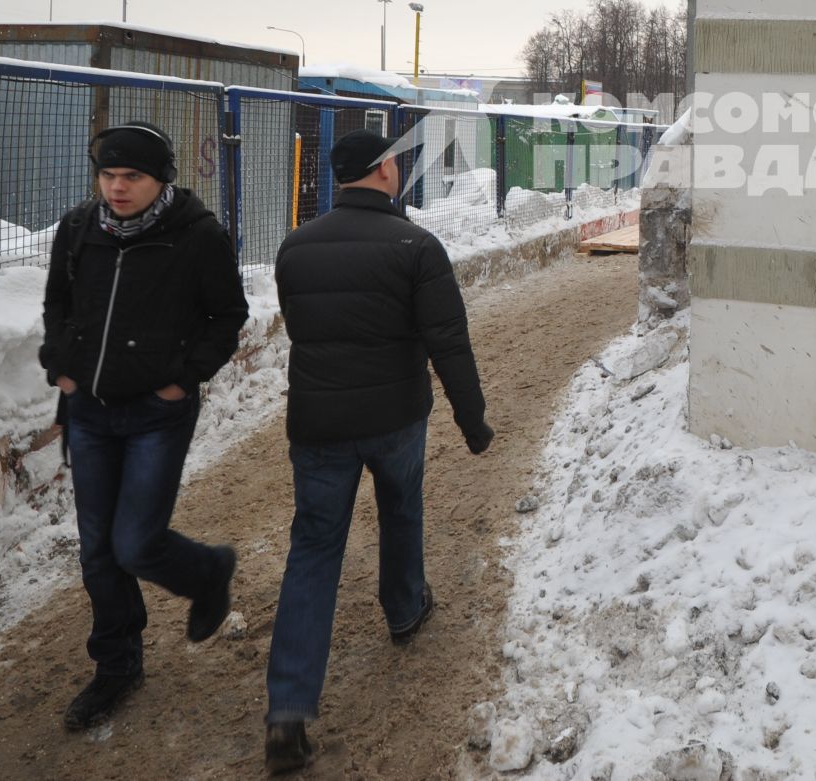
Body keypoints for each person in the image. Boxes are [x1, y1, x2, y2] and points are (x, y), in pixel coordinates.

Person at [263, 129, 493, 773]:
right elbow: (449, 341)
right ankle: (404, 608)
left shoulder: (295, 249)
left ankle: (287, 712)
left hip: (318, 425)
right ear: (387, 171)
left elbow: (303, 328)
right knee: (401, 509)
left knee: (312, 549)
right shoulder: (416, 246)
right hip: (395, 418)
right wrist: (473, 422)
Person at [39, 121, 249, 731]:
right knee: (98, 553)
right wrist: (61, 365)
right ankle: (116, 665)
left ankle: (208, 572)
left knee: (135, 542)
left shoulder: (198, 237)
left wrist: (182, 380)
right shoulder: (79, 229)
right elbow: (58, 303)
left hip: (157, 413)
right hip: (90, 410)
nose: (118, 187)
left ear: (161, 180)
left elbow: (226, 316)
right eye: (108, 174)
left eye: (132, 176)